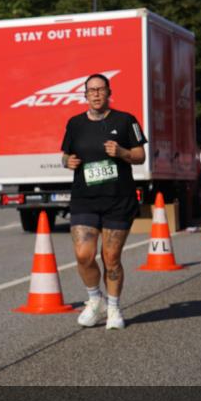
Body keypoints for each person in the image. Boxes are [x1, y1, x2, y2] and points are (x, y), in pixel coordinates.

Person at [61, 73, 147, 330]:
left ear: (109, 93)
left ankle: (113, 308)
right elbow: (65, 155)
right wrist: (69, 162)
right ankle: (95, 300)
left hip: (118, 199)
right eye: (91, 90)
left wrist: (121, 152)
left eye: (100, 89)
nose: (96, 94)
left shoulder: (126, 120)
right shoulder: (75, 123)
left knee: (110, 257)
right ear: (85, 95)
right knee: (84, 255)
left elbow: (141, 156)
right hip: (84, 199)